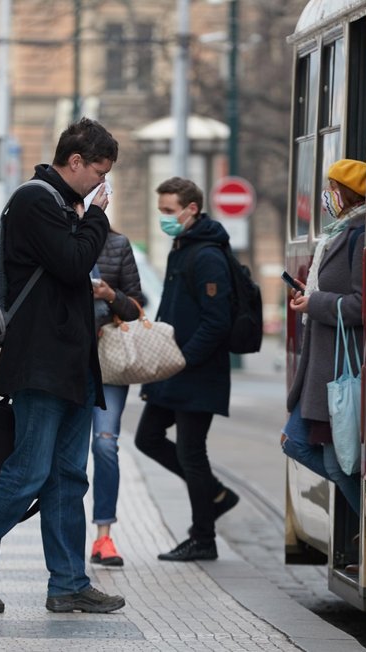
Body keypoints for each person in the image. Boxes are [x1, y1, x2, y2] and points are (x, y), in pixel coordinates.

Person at [0, 117, 125, 615]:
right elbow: (73, 261)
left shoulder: (62, 204)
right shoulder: (34, 200)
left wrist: (86, 217)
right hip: (40, 363)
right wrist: (97, 217)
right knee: (26, 472)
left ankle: (67, 583)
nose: (101, 184)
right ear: (74, 162)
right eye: (98, 172)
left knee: (68, 476)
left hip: (71, 364)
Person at [134, 176, 240, 562]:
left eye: (168, 211)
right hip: (175, 368)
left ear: (191, 209)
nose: (164, 218)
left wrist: (185, 358)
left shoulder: (207, 255)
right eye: (160, 210)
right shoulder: (183, 246)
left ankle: (203, 537)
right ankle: (216, 494)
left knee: (192, 452)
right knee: (147, 436)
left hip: (195, 370)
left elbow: (217, 321)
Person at [280, 158, 365, 519]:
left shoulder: (358, 235)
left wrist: (314, 302)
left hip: (339, 368)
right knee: (295, 442)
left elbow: (363, 306)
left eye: (332, 188)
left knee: (335, 464)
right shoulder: (339, 232)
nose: (327, 196)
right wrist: (310, 295)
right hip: (322, 367)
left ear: (347, 194)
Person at [88, 231, 144, 566]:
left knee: (106, 444)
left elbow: (136, 306)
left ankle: (103, 537)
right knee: (68, 452)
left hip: (108, 360)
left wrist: (110, 295)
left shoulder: (117, 244)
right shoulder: (54, 233)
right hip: (67, 359)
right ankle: (64, 538)